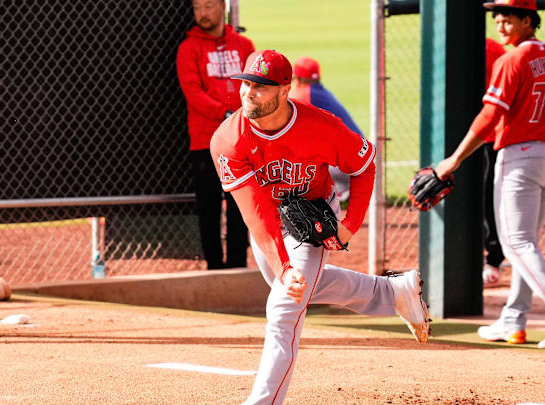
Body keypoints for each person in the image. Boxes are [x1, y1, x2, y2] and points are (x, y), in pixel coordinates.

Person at [210, 49, 430, 404]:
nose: (249, 92)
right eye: (245, 83)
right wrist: (283, 266)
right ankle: (393, 293)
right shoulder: (228, 140)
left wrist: (350, 224)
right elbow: (255, 212)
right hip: (269, 220)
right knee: (298, 287)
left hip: (313, 217)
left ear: (285, 90)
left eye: (261, 86)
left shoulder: (321, 126)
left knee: (283, 311)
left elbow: (364, 165)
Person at [435, 0, 545, 349]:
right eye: (497, 20)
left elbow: (489, 116)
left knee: (517, 243)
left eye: (507, 20)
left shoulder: (512, 60)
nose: (500, 26)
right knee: (528, 246)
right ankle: (514, 319)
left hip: (521, 160)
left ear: (528, 20)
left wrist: (455, 158)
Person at [176, 0, 253, 269]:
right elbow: (193, 92)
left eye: (208, 6)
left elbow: (254, 84)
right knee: (208, 207)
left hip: (240, 142)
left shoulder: (244, 45)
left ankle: (237, 265)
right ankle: (214, 267)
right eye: (197, 8)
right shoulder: (189, 48)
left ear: (223, 7)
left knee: (239, 206)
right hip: (204, 141)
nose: (202, 14)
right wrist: (225, 113)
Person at [288, 56, 364, 202]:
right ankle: (342, 189)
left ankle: (329, 193)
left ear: (298, 78)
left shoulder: (304, 93)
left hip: (345, 164)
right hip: (358, 158)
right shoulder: (321, 93)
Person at [481, 38, 508, 286]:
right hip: (462, 134)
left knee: (490, 198)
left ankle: (494, 258)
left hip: (489, 135)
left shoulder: (491, 49)